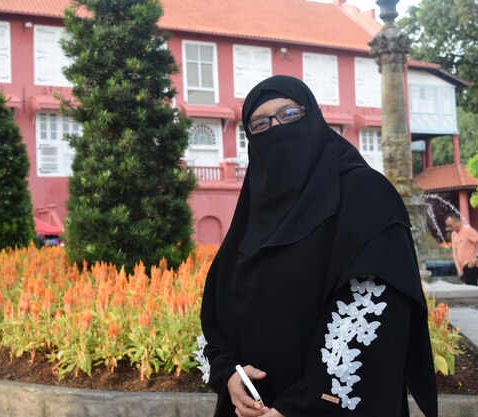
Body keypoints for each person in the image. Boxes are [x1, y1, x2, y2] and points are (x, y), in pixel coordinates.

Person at [196, 75, 437, 417]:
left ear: (313, 117)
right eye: (260, 124)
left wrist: (300, 407)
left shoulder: (365, 196)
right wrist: (228, 375)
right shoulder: (253, 215)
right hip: (250, 407)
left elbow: (376, 316)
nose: (276, 129)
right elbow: (216, 314)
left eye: (289, 115)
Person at [445, 212, 478, 286]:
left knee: (469, 289)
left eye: (450, 225)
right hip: (462, 268)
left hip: (471, 266)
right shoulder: (453, 234)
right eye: (448, 226)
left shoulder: (467, 230)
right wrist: (458, 268)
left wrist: (476, 258)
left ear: (457, 221)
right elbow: (454, 252)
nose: (450, 228)